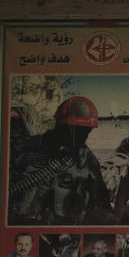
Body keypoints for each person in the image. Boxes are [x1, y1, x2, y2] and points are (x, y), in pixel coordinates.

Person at [8, 96, 112, 225]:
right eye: (74, 130)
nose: (79, 136)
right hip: (22, 227)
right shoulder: (25, 148)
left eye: (85, 131)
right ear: (59, 125)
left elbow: (101, 205)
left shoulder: (87, 160)